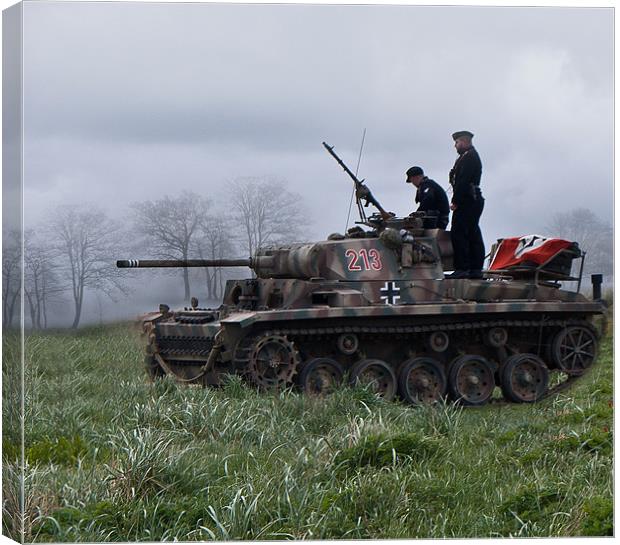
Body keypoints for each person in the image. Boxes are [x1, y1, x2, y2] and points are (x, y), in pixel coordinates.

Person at [448, 130, 485, 279]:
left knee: (460, 233)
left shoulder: (470, 157)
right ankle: (474, 268)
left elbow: (463, 181)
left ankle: (463, 268)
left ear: (464, 141)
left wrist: (456, 201)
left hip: (468, 199)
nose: (455, 146)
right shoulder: (465, 157)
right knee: (472, 232)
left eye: (457, 143)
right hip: (470, 199)